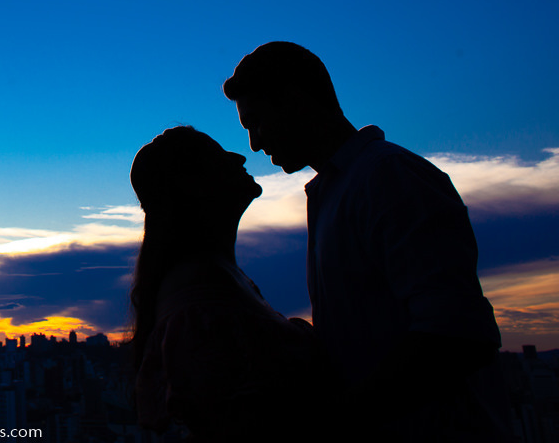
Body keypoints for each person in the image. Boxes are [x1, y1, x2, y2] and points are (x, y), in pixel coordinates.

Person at [223, 41, 507, 441]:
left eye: (256, 122)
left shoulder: (387, 177)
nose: (254, 143)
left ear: (294, 102)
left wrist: (335, 418)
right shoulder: (340, 189)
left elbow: (457, 335)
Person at [129, 126, 327, 441]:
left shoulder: (218, 280)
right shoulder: (200, 301)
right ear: (192, 185)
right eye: (216, 155)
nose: (238, 156)